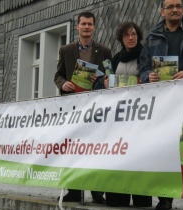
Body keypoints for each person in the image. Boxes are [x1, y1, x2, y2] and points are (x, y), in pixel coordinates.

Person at [139, 0, 183, 209]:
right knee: (165, 148)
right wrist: (147, 75)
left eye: (178, 6)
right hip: (164, 102)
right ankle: (165, 198)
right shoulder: (152, 37)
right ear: (162, 11)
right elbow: (142, 66)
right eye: (170, 6)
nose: (175, 9)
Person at [54, 11, 112, 204]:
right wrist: (63, 84)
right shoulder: (66, 50)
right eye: (83, 24)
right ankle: (74, 190)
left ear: (94, 27)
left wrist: (105, 81)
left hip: (96, 109)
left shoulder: (104, 51)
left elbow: (110, 76)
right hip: (73, 108)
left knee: (95, 149)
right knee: (74, 149)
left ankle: (97, 191)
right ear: (77, 27)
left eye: (90, 24)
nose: (86, 27)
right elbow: (58, 75)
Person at [96, 21, 152, 207]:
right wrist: (104, 84)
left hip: (141, 117)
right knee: (118, 158)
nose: (131, 37)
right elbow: (106, 81)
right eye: (127, 35)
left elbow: (152, 79)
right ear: (121, 38)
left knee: (139, 158)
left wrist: (138, 81)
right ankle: (116, 197)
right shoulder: (116, 59)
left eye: (134, 34)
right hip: (118, 120)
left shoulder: (146, 56)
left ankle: (141, 198)